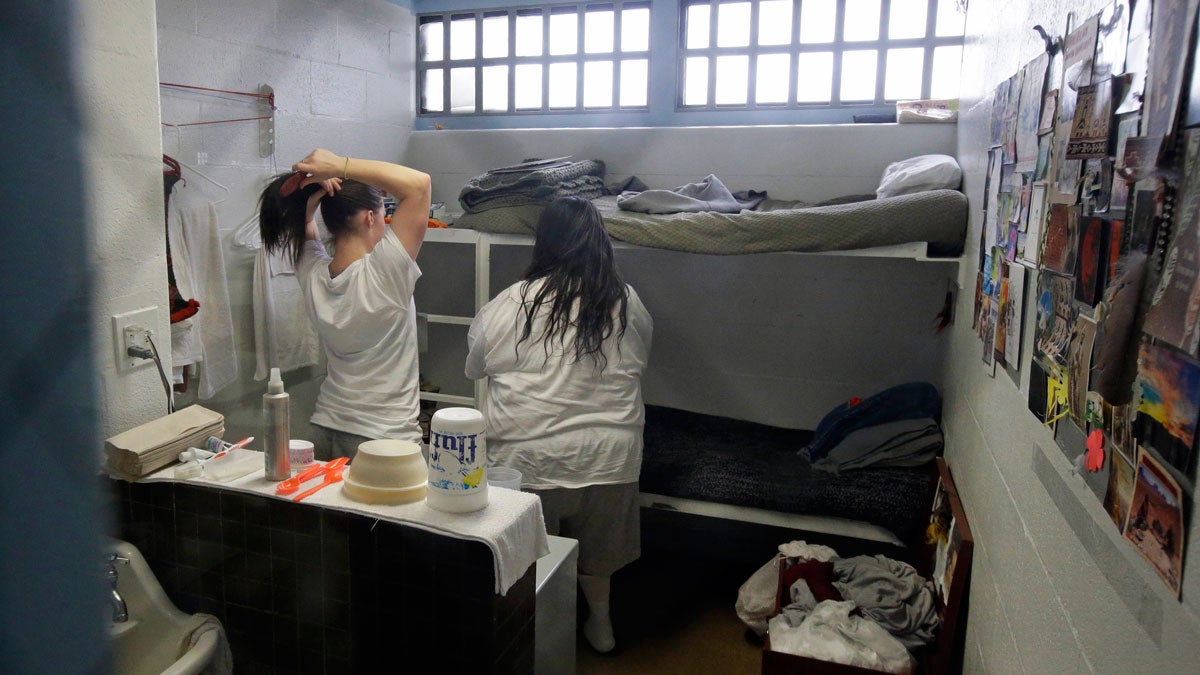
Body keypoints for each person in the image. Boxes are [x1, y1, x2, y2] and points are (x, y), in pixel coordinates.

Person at [465, 196, 653, 653]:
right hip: (610, 459)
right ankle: (601, 626)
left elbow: (475, 368)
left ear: (543, 242)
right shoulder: (625, 300)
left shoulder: (510, 303)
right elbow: (639, 362)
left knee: (529, 561)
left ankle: (536, 639)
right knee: (597, 559)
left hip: (529, 460)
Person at [258, 149, 431, 460]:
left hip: (326, 430)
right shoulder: (384, 274)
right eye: (382, 216)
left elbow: (305, 230)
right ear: (369, 218)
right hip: (383, 440)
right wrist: (340, 166)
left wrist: (310, 207)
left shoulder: (313, 275)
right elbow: (419, 185)